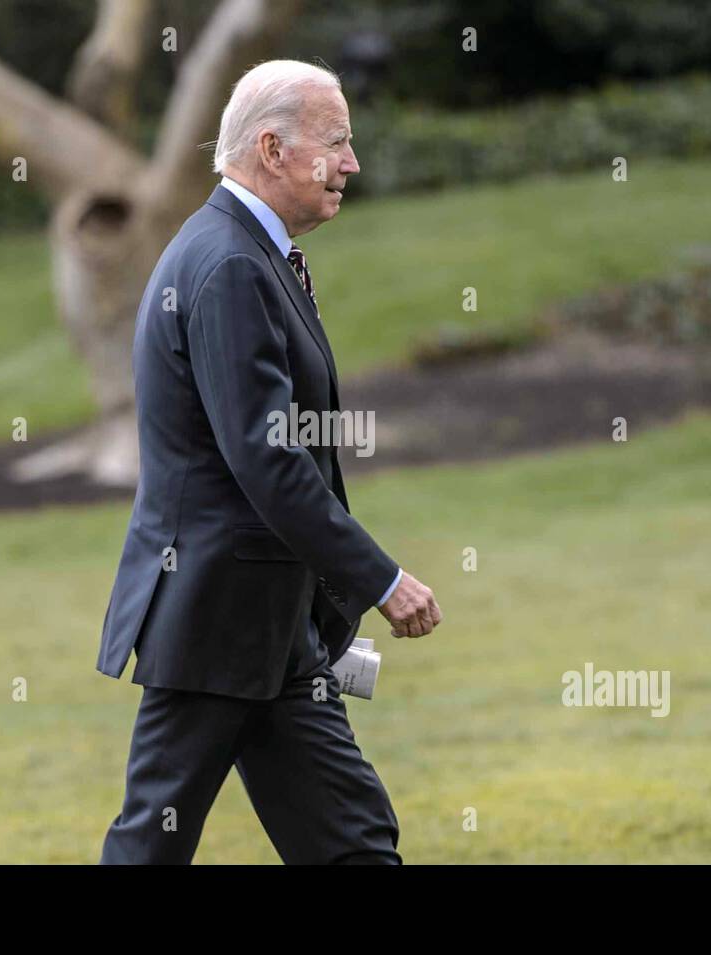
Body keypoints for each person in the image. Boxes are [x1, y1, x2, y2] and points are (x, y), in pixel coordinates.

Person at [96, 59, 442, 865]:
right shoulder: (228, 266)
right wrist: (381, 579)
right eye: (338, 142)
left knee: (353, 841)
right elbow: (271, 461)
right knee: (150, 846)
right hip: (215, 619)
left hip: (270, 629)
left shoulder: (251, 251)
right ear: (273, 149)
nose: (352, 163)